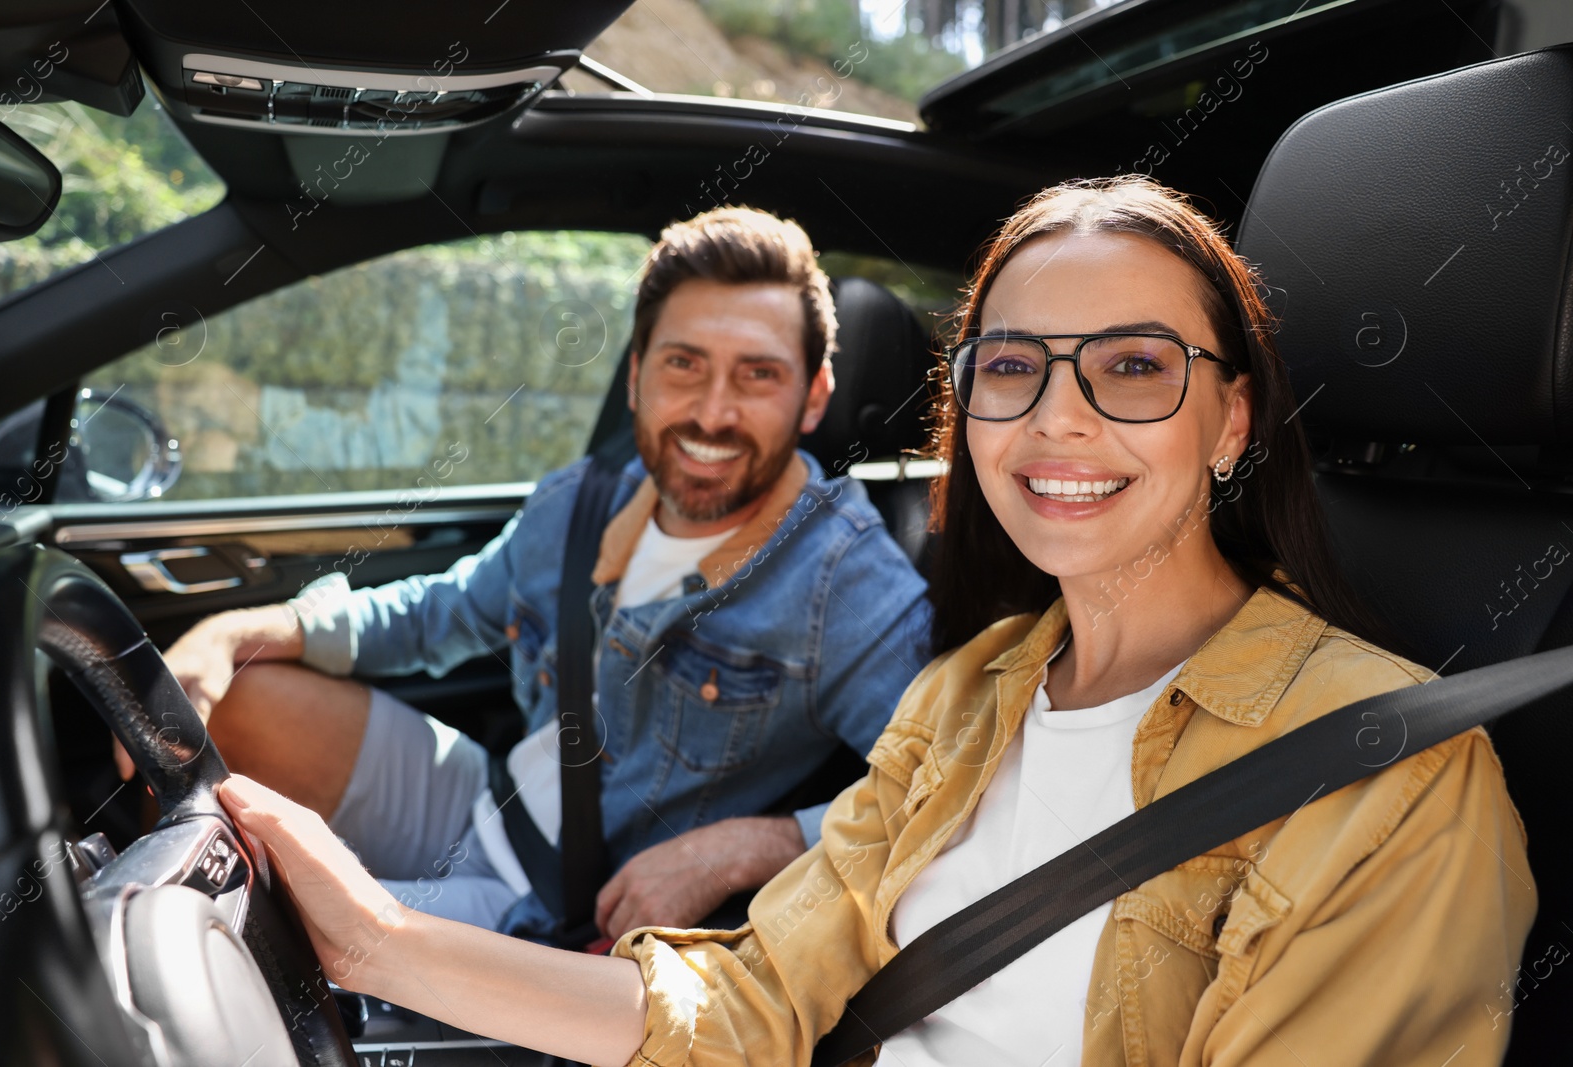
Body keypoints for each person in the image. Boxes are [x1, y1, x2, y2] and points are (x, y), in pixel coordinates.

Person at [218, 178, 1536, 1067]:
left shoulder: (1388, 775)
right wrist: (369, 936)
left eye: (1133, 365)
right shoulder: (965, 697)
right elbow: (742, 1003)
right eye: (1013, 366)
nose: (1060, 416)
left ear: (1233, 418)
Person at [157, 205, 933, 943]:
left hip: (560, 912)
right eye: (684, 365)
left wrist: (746, 847)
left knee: (240, 939)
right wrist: (230, 632)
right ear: (636, 378)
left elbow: (943, 786)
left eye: (758, 375)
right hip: (486, 797)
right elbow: (444, 612)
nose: (713, 412)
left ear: (813, 397)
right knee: (232, 694)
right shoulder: (586, 498)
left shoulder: (847, 579)